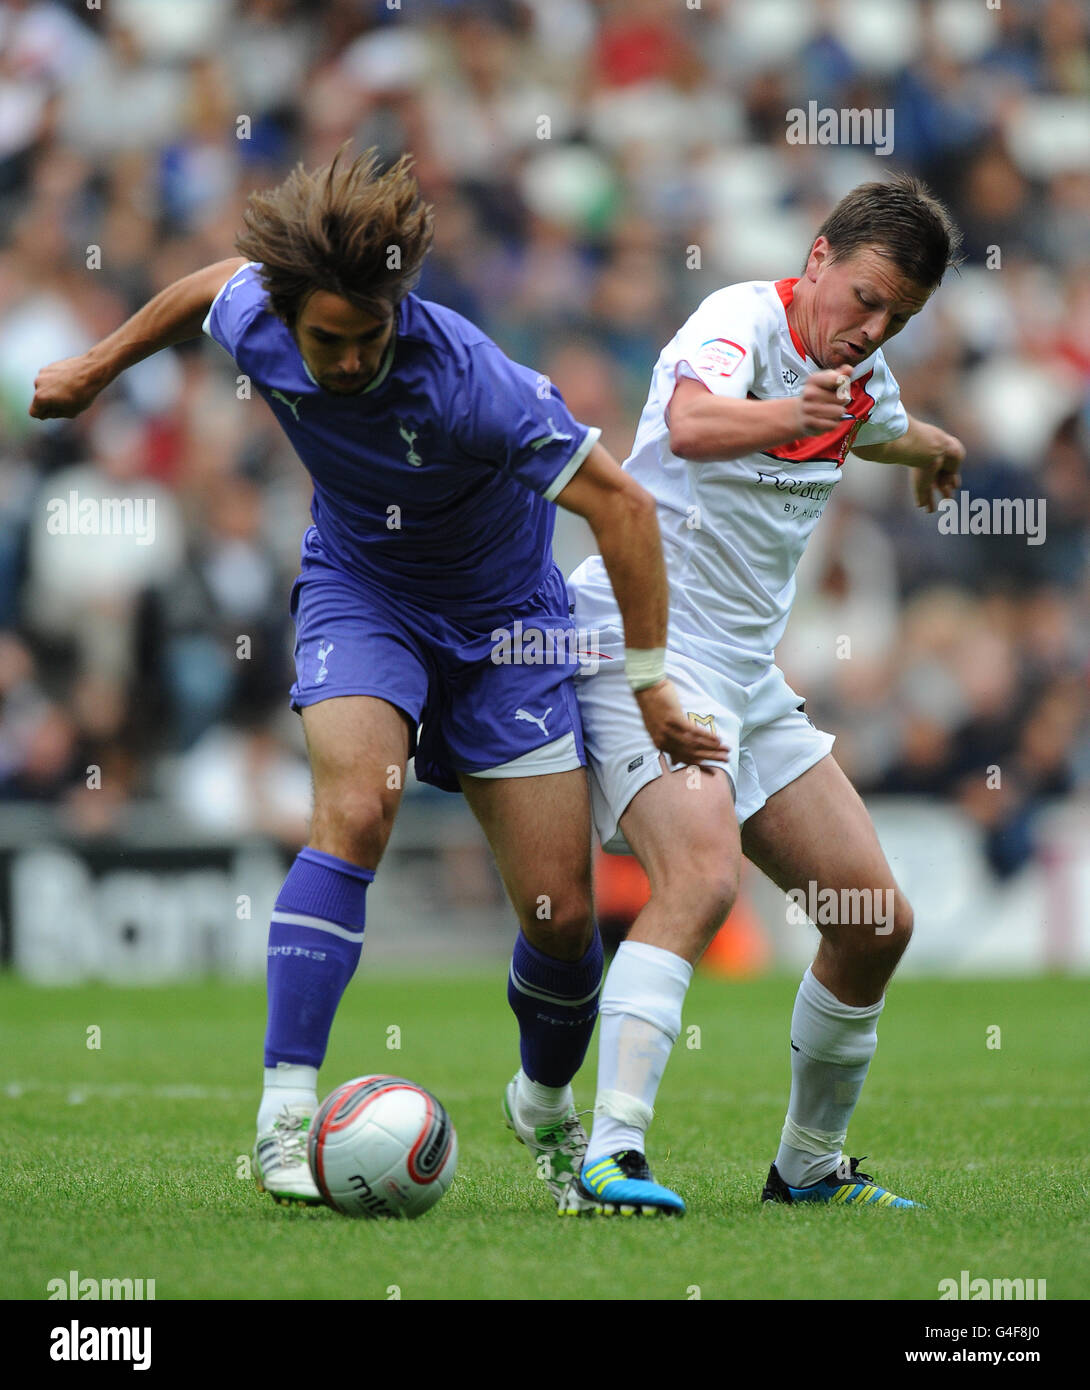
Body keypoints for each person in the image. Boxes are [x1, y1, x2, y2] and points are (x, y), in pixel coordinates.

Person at [29, 147, 723, 1211]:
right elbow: (203, 290)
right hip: (364, 594)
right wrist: (94, 366)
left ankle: (541, 1097)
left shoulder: (475, 385)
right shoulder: (258, 312)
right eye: (326, 343)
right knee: (354, 810)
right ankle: (284, 1116)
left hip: (508, 632)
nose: (347, 363)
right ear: (288, 316)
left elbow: (622, 508)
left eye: (368, 339)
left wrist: (649, 681)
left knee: (559, 918)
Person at [567, 174, 966, 1214]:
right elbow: (692, 427)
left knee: (873, 917)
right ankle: (610, 1153)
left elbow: (877, 426)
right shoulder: (737, 320)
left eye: (898, 319)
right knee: (698, 882)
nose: (869, 330)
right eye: (865, 299)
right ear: (819, 257)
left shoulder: (861, 374)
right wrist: (795, 408)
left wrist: (932, 447)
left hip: (747, 679)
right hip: (638, 642)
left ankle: (807, 1168)